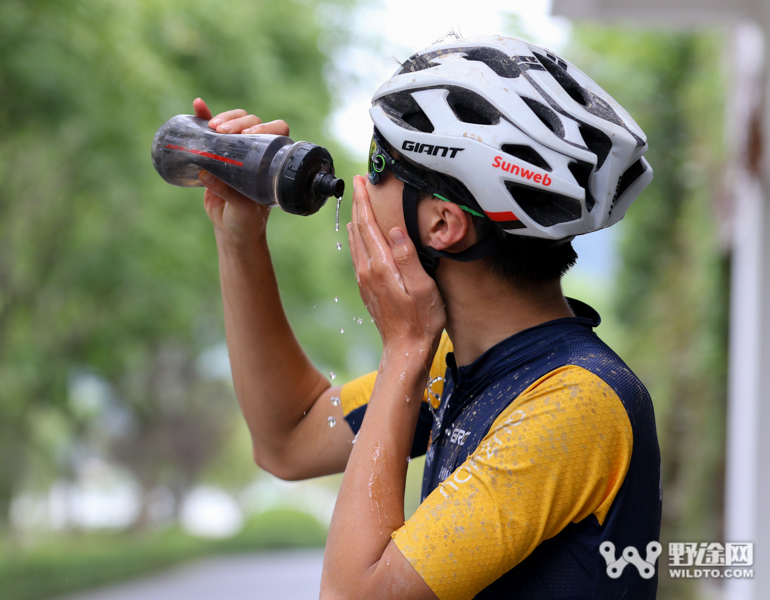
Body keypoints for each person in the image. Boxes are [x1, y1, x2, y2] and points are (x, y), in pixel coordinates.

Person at [194, 35, 661, 600]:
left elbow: (351, 595)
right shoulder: (460, 363)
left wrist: (404, 348)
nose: (358, 186)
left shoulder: (574, 405)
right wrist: (239, 240)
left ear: (442, 224)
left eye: (378, 163)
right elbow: (288, 439)